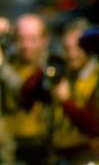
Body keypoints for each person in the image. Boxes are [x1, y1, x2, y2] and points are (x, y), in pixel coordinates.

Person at [20, 18, 99, 164]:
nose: (71, 54)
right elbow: (27, 92)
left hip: (86, 154)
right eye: (66, 48)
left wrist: (66, 101)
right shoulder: (64, 74)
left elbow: (93, 127)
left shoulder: (95, 77)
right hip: (57, 152)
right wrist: (47, 64)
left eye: (77, 48)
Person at [0, 13, 52, 164]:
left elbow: (28, 93)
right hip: (10, 145)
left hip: (42, 148)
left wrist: (1, 68)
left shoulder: (52, 66)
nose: (26, 45)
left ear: (45, 40)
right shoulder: (12, 61)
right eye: (21, 39)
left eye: (32, 39)